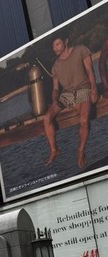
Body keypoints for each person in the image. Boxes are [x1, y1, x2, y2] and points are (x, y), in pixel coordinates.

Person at [42, 32, 99, 169]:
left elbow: (90, 71)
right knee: (47, 118)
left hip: (84, 89)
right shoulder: (55, 66)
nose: (55, 48)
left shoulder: (80, 50)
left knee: (84, 120)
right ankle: (54, 149)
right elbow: (55, 88)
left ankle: (80, 151)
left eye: (58, 44)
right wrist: (55, 100)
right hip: (67, 94)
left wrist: (94, 89)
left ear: (65, 42)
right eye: (53, 46)